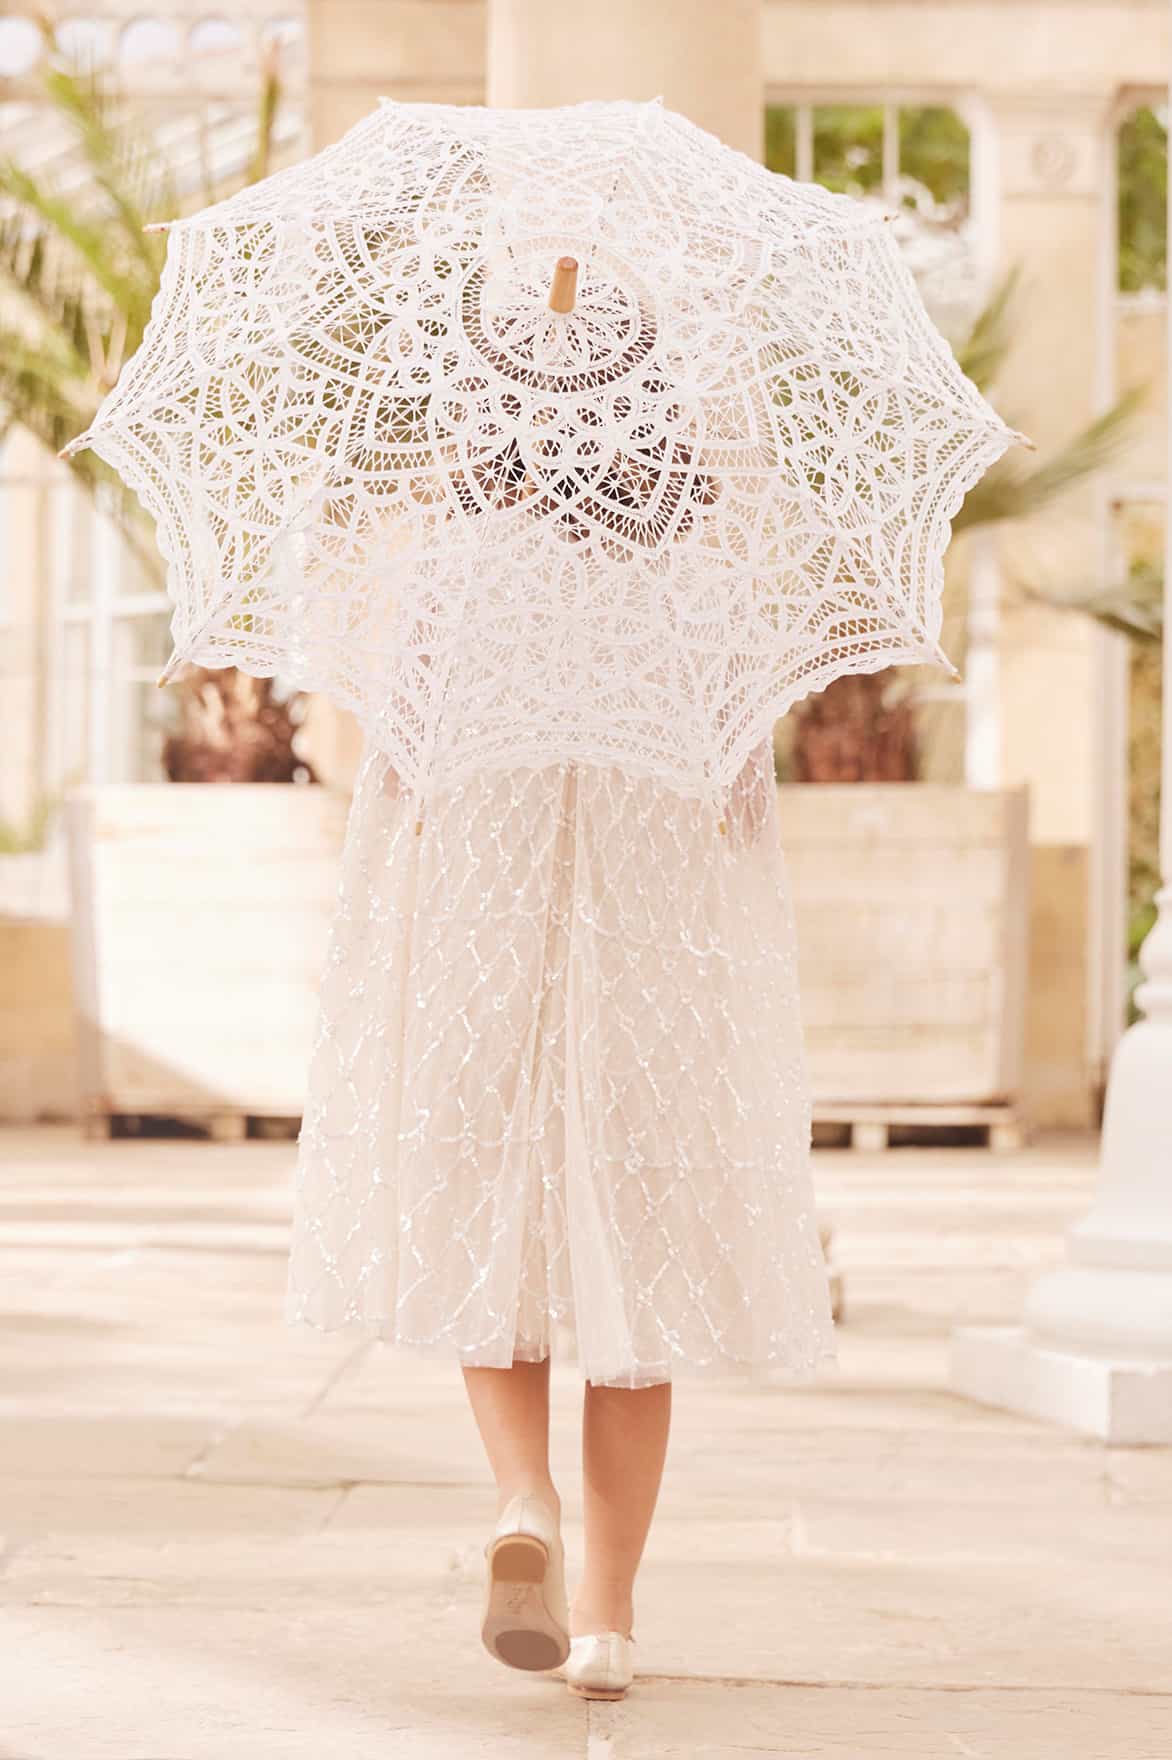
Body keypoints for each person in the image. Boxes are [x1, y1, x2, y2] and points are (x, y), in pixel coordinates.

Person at [283, 410, 838, 1702]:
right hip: (647, 973)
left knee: (497, 1234)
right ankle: (606, 1624)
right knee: (636, 1286)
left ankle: (522, 1497)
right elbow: (741, 808)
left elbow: (399, 787)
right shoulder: (697, 589)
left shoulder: (458, 576)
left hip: (486, 950)